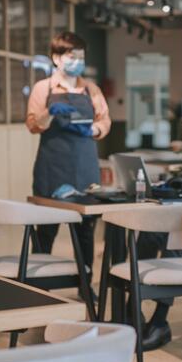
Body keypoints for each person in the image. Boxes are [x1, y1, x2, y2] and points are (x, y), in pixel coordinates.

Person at [25, 31, 111, 289]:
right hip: (52, 169)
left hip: (85, 169)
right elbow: (33, 124)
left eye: (81, 57)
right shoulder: (43, 88)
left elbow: (105, 120)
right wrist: (50, 111)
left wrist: (93, 129)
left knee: (85, 231)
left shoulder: (91, 89)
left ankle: (85, 286)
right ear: (56, 58)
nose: (77, 62)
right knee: (46, 230)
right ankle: (40, 288)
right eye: (72, 57)